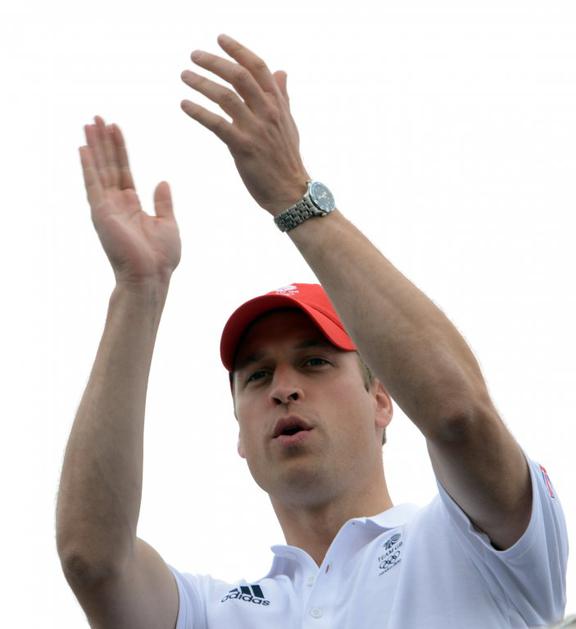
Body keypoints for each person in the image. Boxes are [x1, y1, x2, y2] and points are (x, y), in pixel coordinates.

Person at [55, 34, 568, 629]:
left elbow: (460, 415)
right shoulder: (214, 612)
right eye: (256, 376)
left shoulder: (470, 545)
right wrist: (138, 289)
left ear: (383, 401)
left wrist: (293, 195)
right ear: (240, 435)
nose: (283, 388)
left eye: (315, 361)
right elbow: (93, 561)